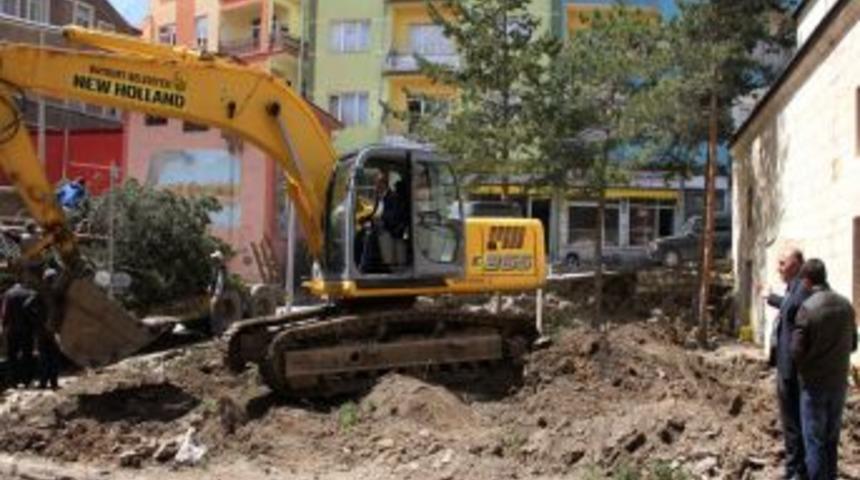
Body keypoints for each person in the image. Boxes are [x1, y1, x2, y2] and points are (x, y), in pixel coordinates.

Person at [791, 259, 857, 480]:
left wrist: (806, 369)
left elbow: (796, 352)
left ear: (807, 281)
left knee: (814, 442)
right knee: (831, 440)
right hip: (838, 383)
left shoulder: (807, 309)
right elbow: (854, 344)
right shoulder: (846, 305)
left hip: (814, 385)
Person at [764, 247, 811, 480]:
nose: (778, 267)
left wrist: (772, 298)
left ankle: (797, 471)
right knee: (790, 423)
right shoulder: (794, 288)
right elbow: (788, 308)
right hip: (786, 366)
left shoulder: (802, 287)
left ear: (796, 264)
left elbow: (792, 309)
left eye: (783, 263)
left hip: (793, 369)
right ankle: (794, 468)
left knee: (794, 422)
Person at [1, 271, 39, 388]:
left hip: (12, 330)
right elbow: (34, 313)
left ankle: (13, 382)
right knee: (27, 355)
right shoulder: (30, 293)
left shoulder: (8, 294)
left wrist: (4, 325)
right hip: (27, 330)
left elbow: (5, 313)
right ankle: (27, 381)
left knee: (12, 356)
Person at [34, 268, 61, 389]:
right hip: (54, 330)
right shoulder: (58, 294)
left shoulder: (40, 293)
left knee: (44, 357)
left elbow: (27, 306)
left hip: (42, 330)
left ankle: (43, 383)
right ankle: (54, 383)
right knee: (54, 356)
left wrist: (36, 320)